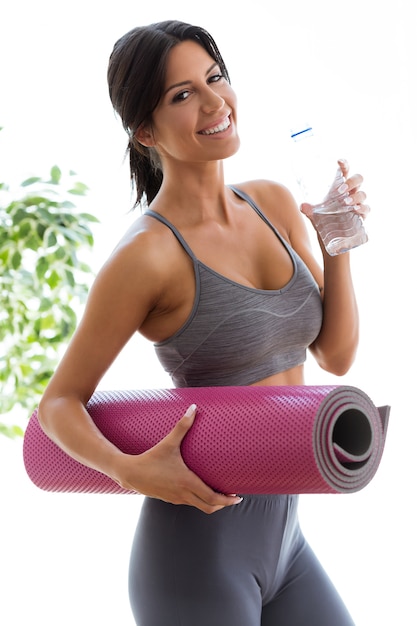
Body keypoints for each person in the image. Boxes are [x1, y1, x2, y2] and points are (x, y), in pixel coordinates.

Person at [38, 20, 370, 625]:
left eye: (215, 78)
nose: (215, 101)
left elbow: (336, 358)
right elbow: (58, 402)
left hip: (287, 539)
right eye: (182, 94)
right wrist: (128, 469)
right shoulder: (148, 254)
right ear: (144, 130)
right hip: (195, 553)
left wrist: (335, 242)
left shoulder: (271, 202)